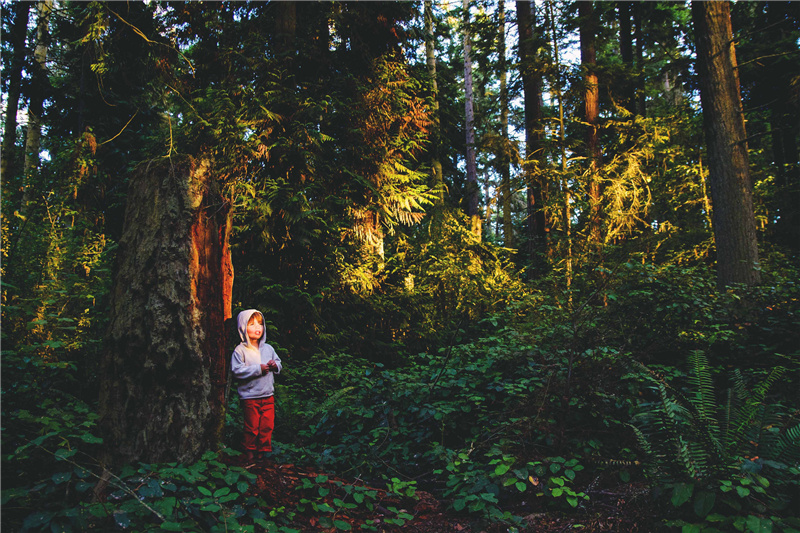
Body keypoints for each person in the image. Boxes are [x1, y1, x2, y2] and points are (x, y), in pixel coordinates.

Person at [231, 309, 282, 462]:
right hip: (250, 397)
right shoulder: (240, 350)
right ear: (242, 327)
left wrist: (274, 365)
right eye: (251, 324)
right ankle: (250, 454)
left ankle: (262, 454)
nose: (257, 327)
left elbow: (279, 364)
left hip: (268, 396)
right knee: (252, 427)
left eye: (260, 324)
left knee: (267, 426)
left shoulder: (268, 348)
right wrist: (257, 369)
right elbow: (237, 371)